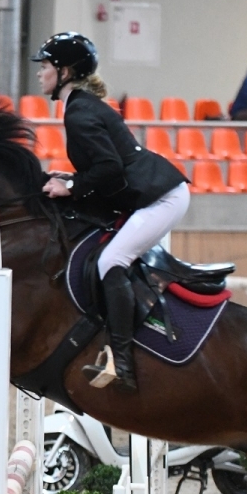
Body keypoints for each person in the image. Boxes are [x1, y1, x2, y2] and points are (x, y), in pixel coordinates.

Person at [33, 32, 190, 393]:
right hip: (151, 192)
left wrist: (71, 186)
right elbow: (105, 167)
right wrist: (71, 179)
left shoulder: (79, 112)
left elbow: (109, 169)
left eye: (45, 66)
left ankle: (122, 363)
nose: (40, 73)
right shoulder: (80, 106)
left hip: (161, 197)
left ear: (65, 72)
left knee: (111, 260)